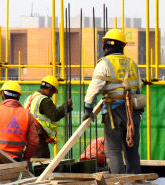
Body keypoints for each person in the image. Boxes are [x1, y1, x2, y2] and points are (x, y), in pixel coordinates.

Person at [83, 28, 142, 174]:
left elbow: (94, 88)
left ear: (105, 46)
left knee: (113, 150)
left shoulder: (104, 64)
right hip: (133, 111)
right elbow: (139, 87)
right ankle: (134, 180)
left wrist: (88, 108)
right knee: (132, 149)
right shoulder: (132, 63)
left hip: (114, 113)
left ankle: (118, 183)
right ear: (122, 46)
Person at [0, 80, 39, 160]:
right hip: (16, 159)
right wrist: (26, 158)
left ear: (2, 95)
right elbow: (33, 142)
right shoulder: (27, 115)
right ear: (18, 97)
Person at [23, 75, 73, 158]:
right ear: (49, 90)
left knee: (30, 159)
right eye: (53, 93)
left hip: (28, 135)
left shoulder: (31, 97)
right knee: (42, 160)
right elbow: (54, 116)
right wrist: (66, 106)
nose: (51, 95)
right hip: (38, 137)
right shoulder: (44, 100)